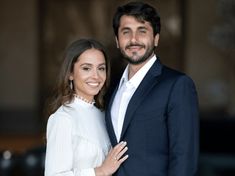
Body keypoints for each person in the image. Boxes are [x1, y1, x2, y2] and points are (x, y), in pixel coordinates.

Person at [105, 1, 199, 176]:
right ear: (117, 41)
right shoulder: (111, 87)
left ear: (156, 38)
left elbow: (184, 158)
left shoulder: (177, 85)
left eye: (142, 31)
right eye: (126, 32)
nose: (134, 39)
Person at [44, 39, 128, 176]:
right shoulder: (63, 118)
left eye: (101, 68)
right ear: (70, 73)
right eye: (86, 68)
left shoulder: (104, 115)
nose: (96, 76)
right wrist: (101, 171)